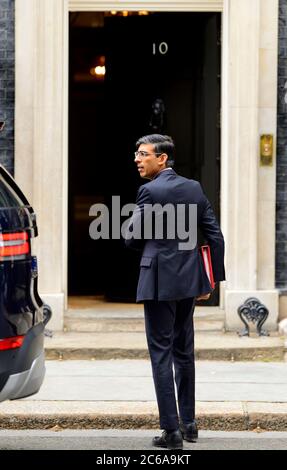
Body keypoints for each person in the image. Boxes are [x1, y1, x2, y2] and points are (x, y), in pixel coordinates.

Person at [125, 134, 225, 450]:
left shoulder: (149, 191)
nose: (137, 159)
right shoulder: (193, 188)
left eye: (143, 154)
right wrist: (212, 280)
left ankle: (171, 432)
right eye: (136, 154)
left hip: (158, 281)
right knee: (184, 351)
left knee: (161, 353)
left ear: (163, 158)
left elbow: (133, 236)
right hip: (189, 280)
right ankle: (190, 424)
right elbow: (215, 236)